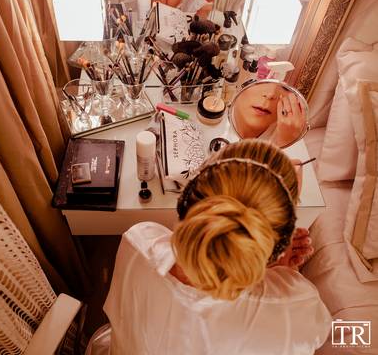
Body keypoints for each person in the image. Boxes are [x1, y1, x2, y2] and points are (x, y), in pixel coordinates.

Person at [102, 139, 331, 355]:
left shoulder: (140, 241)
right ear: (274, 240)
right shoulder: (295, 308)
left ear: (188, 197)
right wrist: (281, 272)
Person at [231, 82, 306, 148]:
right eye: (260, 81)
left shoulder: (293, 140)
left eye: (285, 88)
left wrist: (281, 144)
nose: (270, 94)